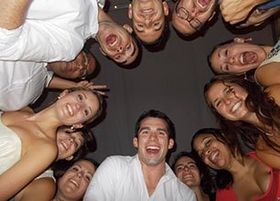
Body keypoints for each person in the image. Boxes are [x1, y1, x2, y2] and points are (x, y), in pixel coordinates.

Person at [0, 88, 103, 200]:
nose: (79, 106)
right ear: (64, 93)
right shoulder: (23, 107)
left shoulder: (47, 150)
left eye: (86, 111)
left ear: (78, 124)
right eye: (80, 97)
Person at [84, 109, 196, 200]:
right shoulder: (114, 167)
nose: (153, 138)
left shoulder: (185, 196)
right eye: (145, 132)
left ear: (170, 143)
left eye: (161, 133)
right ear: (136, 142)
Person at [0, 0, 139, 65]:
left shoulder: (70, 44)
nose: (120, 50)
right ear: (127, 28)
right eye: (128, 48)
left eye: (118, 57)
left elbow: (6, 44)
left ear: (104, 52)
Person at [204, 74, 280, 170]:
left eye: (228, 91)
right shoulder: (263, 150)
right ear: (223, 117)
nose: (227, 101)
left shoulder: (275, 96)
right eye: (218, 103)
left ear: (243, 86)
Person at [0, 50, 107, 111]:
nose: (80, 67)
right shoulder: (30, 44)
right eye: (84, 60)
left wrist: (77, 87)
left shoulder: (35, 92)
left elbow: (46, 80)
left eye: (83, 72)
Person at [192, 128, 280, 201]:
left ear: (224, 136)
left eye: (208, 142)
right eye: (201, 154)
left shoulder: (265, 153)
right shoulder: (223, 196)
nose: (206, 152)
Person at [172, 0, 279, 36]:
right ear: (210, 17)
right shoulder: (252, 11)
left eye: (183, 13)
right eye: (196, 22)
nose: (193, 14)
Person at [209, 37, 280, 87]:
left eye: (226, 53)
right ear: (239, 74)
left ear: (238, 40)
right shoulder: (263, 76)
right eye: (226, 67)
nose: (230, 60)